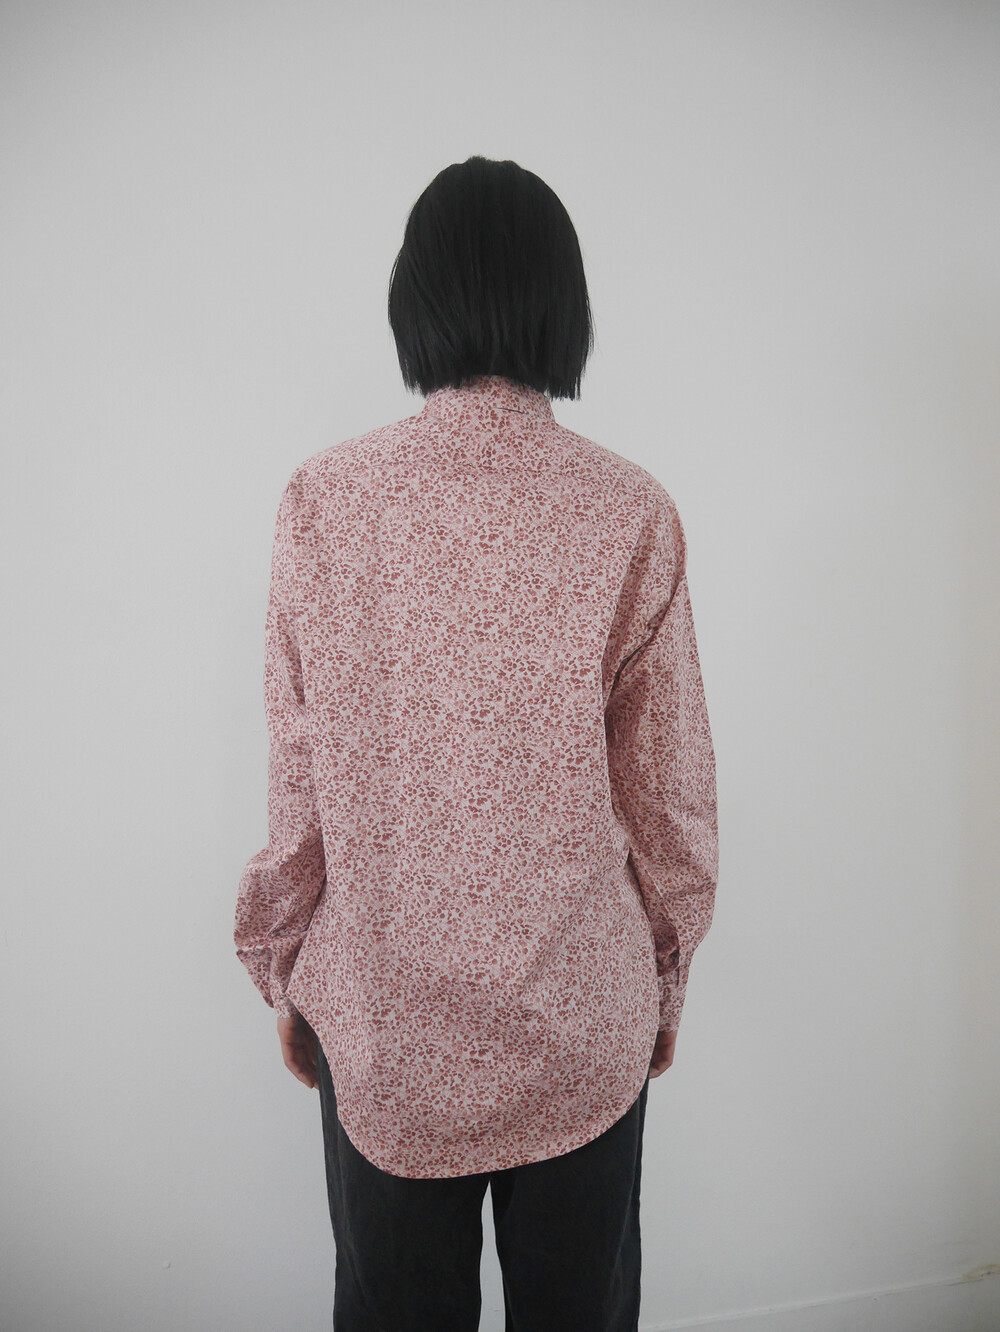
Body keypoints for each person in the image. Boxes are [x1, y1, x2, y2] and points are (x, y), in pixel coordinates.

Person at [234, 154, 718, 1332]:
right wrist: (663, 978)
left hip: (382, 1022)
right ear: (565, 302)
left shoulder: (324, 499)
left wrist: (283, 964)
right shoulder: (629, 508)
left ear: (415, 297)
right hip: (579, 1023)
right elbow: (667, 795)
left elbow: (298, 772)